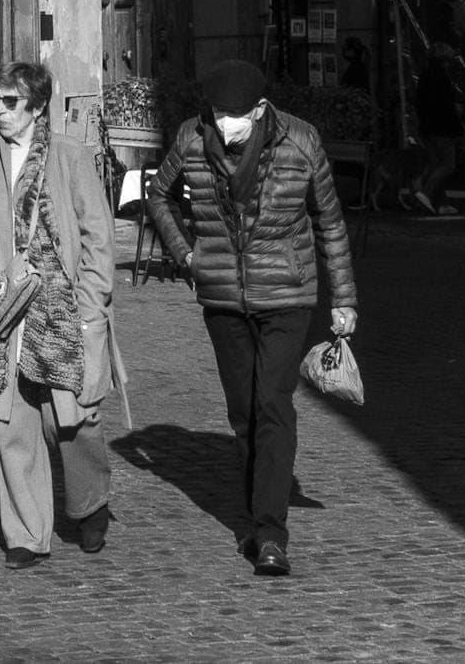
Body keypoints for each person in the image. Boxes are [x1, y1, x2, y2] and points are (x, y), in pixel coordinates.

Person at [147, 58, 358, 578]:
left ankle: (270, 533)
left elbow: (329, 220)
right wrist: (186, 255)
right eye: (218, 112)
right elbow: (158, 196)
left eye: (235, 114)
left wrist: (344, 299)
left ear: (261, 110)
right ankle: (250, 516)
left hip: (288, 292)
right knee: (243, 412)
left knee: (273, 404)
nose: (225, 123)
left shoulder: (300, 141)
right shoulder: (192, 138)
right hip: (223, 296)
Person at [0, 62, 118, 569]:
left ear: (37, 106)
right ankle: (26, 533)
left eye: (10, 102)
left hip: (61, 312)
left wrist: (90, 311)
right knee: (9, 422)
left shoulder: (70, 156)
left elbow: (98, 240)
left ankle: (90, 506)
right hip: (1, 316)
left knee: (72, 420)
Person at [413, 40, 464, 215]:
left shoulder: (425, 75)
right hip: (441, 128)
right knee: (448, 165)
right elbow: (447, 106)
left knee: (436, 164)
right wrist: (457, 127)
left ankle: (439, 201)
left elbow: (420, 103)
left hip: (427, 127)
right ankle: (425, 193)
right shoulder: (443, 77)